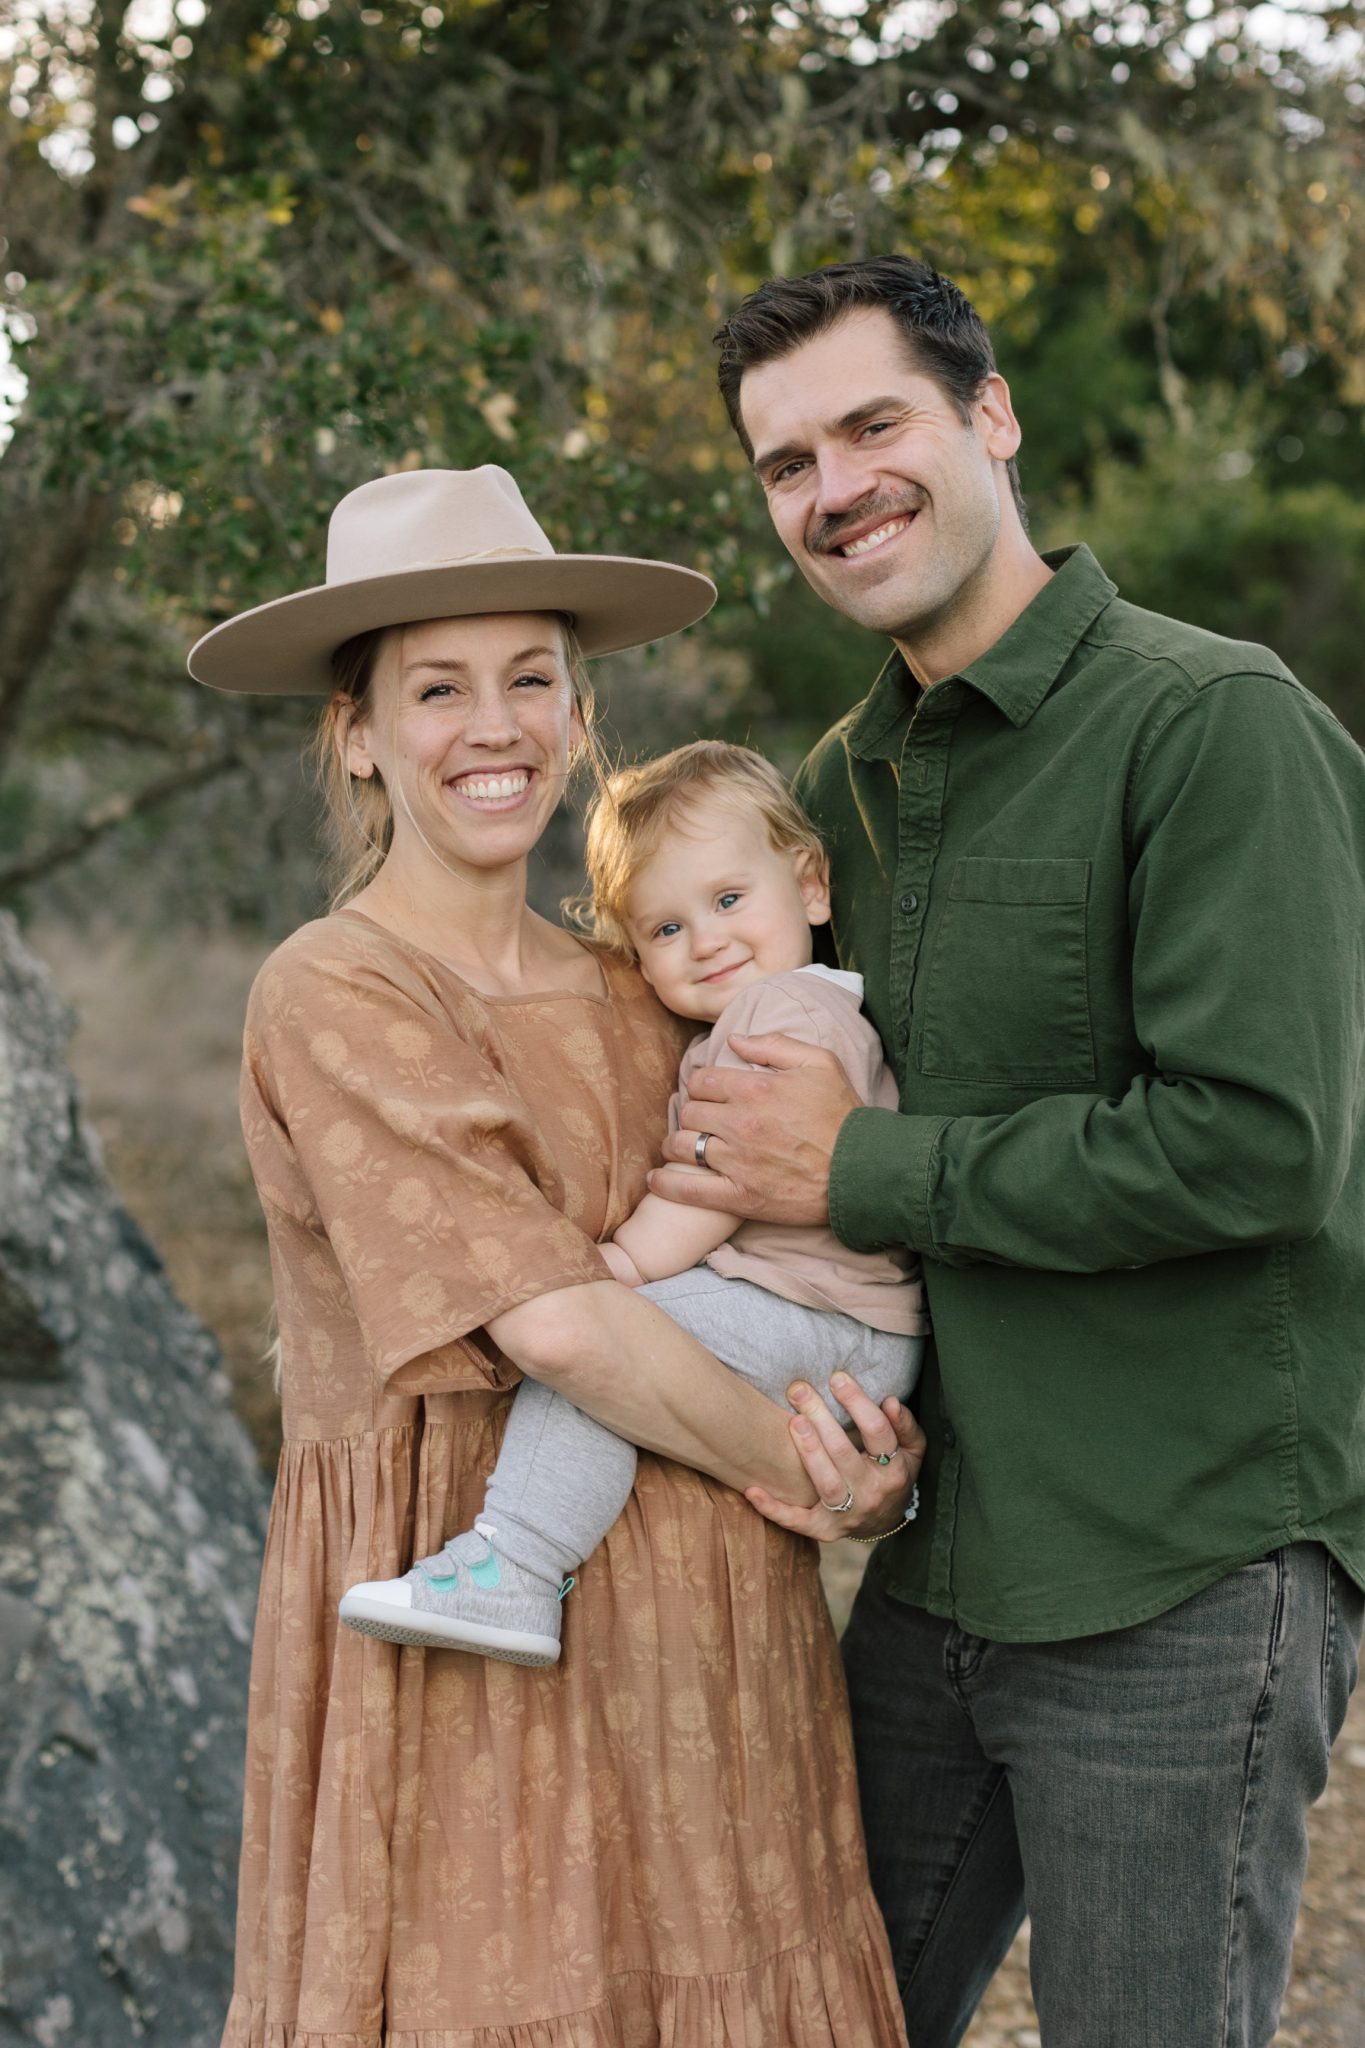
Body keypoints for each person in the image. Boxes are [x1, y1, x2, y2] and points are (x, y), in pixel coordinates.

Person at [645, 255, 1365, 2046]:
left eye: (873, 424)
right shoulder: (836, 792)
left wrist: (858, 1176)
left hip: (1179, 1565)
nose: (834, 488)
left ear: (991, 417)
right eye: (787, 463)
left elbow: (1258, 1147)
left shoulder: (1214, 722)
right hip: (935, 1562)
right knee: (804, 2018)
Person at [188, 463, 919, 2046]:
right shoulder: (340, 992)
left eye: (531, 677)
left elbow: (783, 1244)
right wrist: (820, 1475)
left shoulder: (641, 981)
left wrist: (863, 1454)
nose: (494, 725)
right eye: (436, 688)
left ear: (581, 710)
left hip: (712, 1635)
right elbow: (562, 1333)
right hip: (473, 1639)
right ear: (359, 733)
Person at [339, 739, 928, 1664]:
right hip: (828, 1326)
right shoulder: (778, 1008)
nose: (707, 940)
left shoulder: (780, 1018)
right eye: (664, 929)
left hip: (827, 1325)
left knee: (608, 1351)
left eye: (729, 900)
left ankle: (516, 1570)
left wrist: (624, 1267)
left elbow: (721, 1176)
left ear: (811, 886)